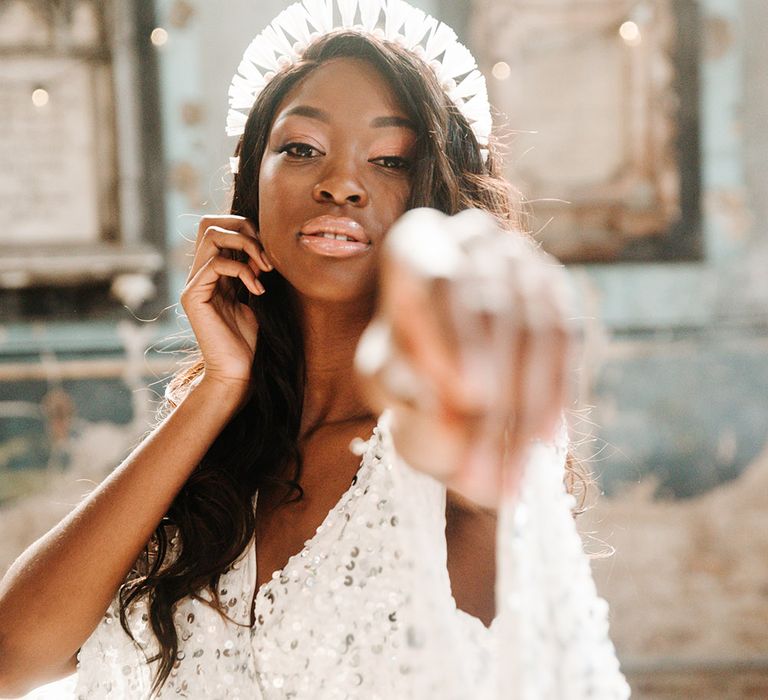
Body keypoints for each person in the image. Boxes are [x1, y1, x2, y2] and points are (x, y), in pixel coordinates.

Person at [0, 1, 630, 698]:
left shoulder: (451, 434)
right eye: (301, 148)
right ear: (251, 187)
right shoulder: (219, 455)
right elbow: (13, 655)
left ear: (440, 199)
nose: (340, 183)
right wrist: (215, 389)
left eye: (391, 159)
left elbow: (479, 442)